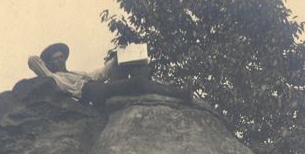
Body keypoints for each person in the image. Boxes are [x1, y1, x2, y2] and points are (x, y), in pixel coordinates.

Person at [28, 43, 193, 106]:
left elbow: (99, 74)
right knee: (137, 82)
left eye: (61, 57)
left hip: (100, 87)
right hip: (91, 93)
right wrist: (44, 64)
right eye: (55, 59)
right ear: (48, 64)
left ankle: (152, 82)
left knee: (124, 61)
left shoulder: (76, 73)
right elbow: (33, 60)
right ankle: (181, 93)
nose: (60, 60)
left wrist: (117, 57)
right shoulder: (54, 78)